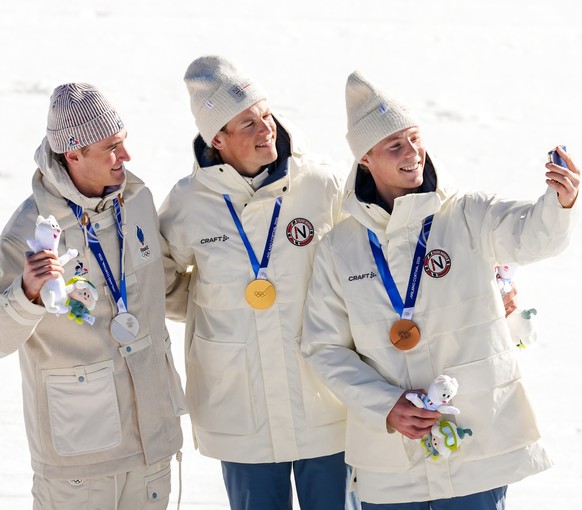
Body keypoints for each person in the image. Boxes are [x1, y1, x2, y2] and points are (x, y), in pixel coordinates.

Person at [300, 70, 580, 509]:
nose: (412, 153)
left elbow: (532, 237)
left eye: (414, 138)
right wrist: (386, 405)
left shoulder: (467, 214)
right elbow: (323, 347)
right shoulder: (341, 247)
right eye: (395, 145)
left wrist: (559, 203)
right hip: (391, 462)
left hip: (476, 446)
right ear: (365, 160)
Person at [160, 56, 357, 510]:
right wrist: (216, 306)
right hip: (238, 400)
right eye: (248, 122)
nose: (266, 128)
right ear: (218, 139)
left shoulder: (320, 184)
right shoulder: (190, 202)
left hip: (323, 397)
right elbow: (161, 277)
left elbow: (368, 254)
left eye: (266, 115)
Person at [0, 83, 186, 509]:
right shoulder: (28, 231)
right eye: (112, 148)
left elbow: (165, 290)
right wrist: (26, 294)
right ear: (73, 154)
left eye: (123, 142)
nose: (126, 157)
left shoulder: (137, 201)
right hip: (80, 460)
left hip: (151, 445)